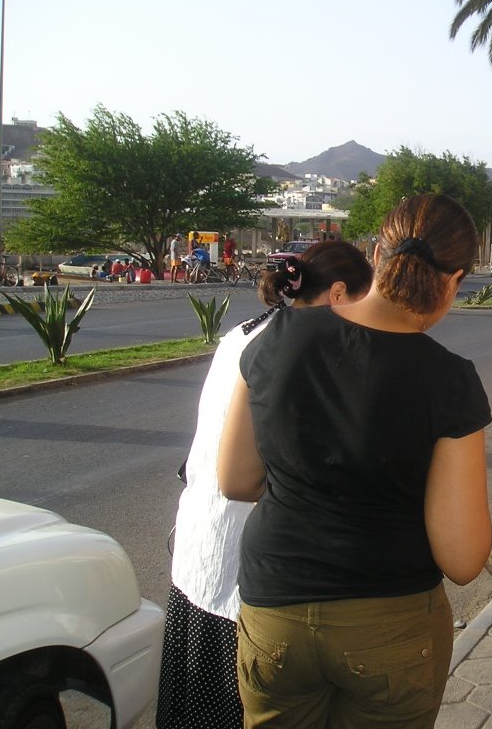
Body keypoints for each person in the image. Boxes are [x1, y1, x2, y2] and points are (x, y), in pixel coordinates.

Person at [218, 193, 492, 728]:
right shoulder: (449, 379)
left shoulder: (278, 335)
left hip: (274, 610)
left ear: (376, 252)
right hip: (388, 623)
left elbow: (234, 479)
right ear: (454, 280)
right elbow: (462, 560)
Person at [156, 239, 374, 729]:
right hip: (248, 573)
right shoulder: (302, 348)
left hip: (200, 550)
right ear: (338, 293)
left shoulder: (244, 332)